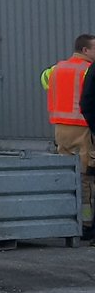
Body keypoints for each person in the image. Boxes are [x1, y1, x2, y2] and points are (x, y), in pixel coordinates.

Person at [42, 34, 95, 239]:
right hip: (83, 128)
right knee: (86, 178)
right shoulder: (88, 71)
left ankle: (66, 217)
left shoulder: (55, 70)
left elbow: (44, 79)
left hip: (60, 129)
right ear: (85, 51)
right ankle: (86, 224)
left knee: (66, 175)